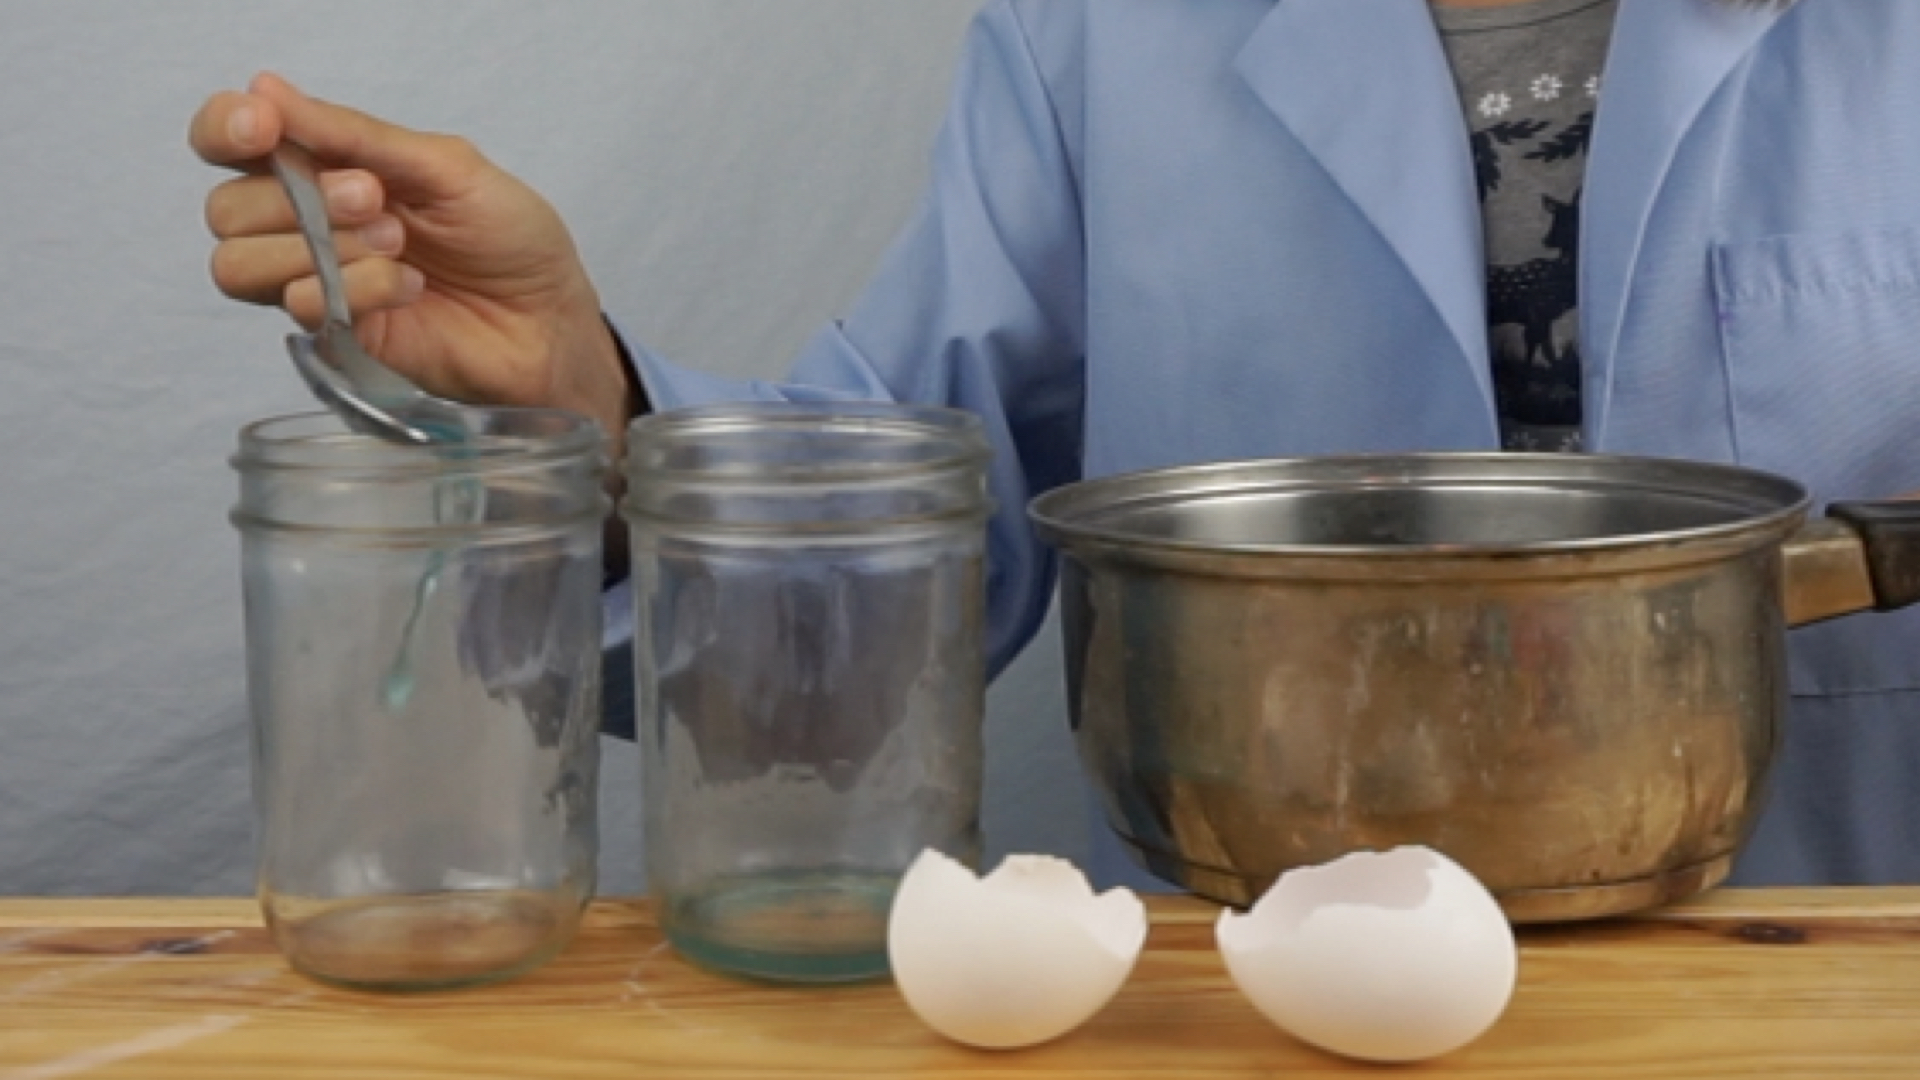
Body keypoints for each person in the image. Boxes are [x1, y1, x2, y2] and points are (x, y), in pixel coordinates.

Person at [190, 0, 1920, 890]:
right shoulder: (1097, 30)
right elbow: (878, 589)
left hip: (1826, 1000)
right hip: (1227, 1016)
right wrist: (596, 422)